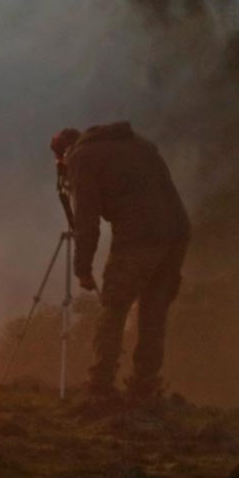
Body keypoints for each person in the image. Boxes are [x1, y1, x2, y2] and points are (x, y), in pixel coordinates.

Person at [51, 121, 192, 402]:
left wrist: (83, 270)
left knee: (114, 307)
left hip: (139, 237)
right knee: (154, 311)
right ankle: (144, 387)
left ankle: (100, 385)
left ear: (63, 156)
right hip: (177, 231)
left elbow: (87, 220)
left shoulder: (82, 158)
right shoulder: (137, 143)